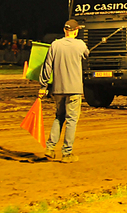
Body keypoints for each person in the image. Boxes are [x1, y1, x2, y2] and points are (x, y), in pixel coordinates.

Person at [39, 19, 90, 163]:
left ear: (64, 30)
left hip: (58, 89)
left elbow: (47, 66)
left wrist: (43, 86)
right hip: (74, 89)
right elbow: (87, 55)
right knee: (71, 120)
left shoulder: (55, 45)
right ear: (76, 31)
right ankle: (67, 153)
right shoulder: (80, 45)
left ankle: (50, 147)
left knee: (59, 117)